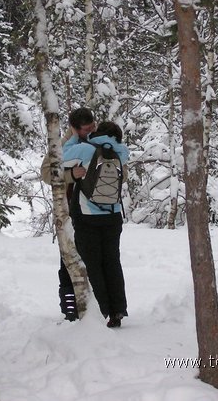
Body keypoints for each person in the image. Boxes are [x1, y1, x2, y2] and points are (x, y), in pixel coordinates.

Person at [63, 121, 129, 328]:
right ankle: (118, 310)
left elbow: (61, 157)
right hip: (113, 215)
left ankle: (102, 311)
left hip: (87, 216)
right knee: (112, 263)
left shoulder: (86, 149)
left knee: (94, 265)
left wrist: (75, 135)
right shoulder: (121, 152)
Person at [40, 108, 96, 321]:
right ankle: (70, 305)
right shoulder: (63, 145)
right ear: (74, 128)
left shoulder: (101, 140)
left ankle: (96, 304)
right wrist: (72, 174)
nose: (90, 131)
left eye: (92, 126)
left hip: (97, 211)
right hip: (70, 210)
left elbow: (121, 171)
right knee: (68, 258)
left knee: (96, 260)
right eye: (86, 129)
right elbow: (46, 173)